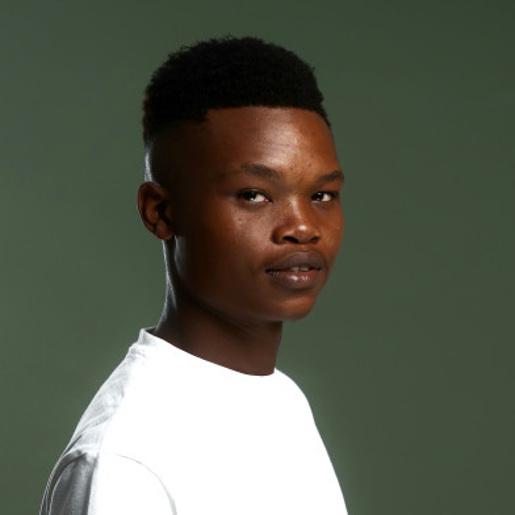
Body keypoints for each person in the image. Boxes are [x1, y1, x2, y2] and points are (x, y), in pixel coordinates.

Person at [39, 34, 349, 515]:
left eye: (321, 195)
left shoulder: (284, 400)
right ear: (161, 212)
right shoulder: (124, 461)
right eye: (254, 195)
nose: (303, 227)